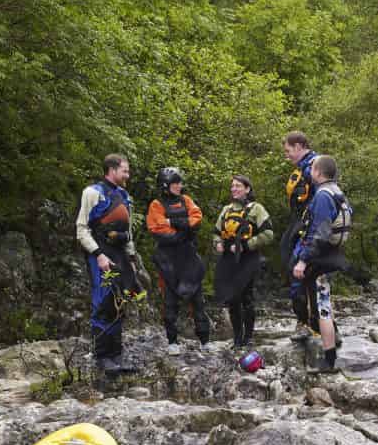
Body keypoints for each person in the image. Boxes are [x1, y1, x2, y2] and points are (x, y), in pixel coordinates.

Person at [76, 154, 150, 375]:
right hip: (100, 253)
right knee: (104, 301)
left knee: (120, 300)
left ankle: (116, 357)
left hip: (120, 255)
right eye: (125, 171)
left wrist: (132, 259)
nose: (128, 175)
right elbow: (81, 229)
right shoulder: (92, 193)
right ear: (112, 169)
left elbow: (127, 232)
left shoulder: (124, 195)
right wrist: (98, 254)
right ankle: (102, 357)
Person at [292, 154, 352, 374]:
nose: (310, 173)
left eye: (312, 170)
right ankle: (332, 348)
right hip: (332, 255)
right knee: (324, 302)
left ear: (318, 172)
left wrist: (302, 260)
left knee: (322, 306)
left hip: (321, 259)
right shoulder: (338, 193)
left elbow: (320, 232)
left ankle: (329, 359)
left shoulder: (323, 196)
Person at [146, 167, 208, 355]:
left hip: (188, 256)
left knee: (197, 298)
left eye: (180, 183)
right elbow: (156, 228)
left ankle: (205, 340)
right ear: (165, 186)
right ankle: (172, 341)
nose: (180, 186)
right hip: (168, 259)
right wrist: (183, 229)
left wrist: (172, 223)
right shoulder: (156, 204)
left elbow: (196, 219)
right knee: (170, 300)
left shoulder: (186, 200)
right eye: (176, 184)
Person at [211, 174, 274, 349]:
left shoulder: (257, 209)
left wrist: (246, 245)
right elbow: (216, 232)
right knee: (232, 299)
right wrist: (218, 243)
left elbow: (268, 234)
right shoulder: (226, 210)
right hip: (229, 259)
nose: (234, 189)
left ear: (247, 189)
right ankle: (237, 339)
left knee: (246, 296)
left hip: (248, 257)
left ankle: (249, 337)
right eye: (233, 186)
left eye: (238, 186)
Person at [281, 131, 317, 336]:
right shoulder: (301, 169)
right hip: (298, 225)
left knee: (305, 275)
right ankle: (304, 322)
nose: (287, 156)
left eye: (288, 151)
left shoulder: (315, 167)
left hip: (310, 229)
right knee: (294, 271)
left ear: (298, 146)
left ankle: (310, 324)